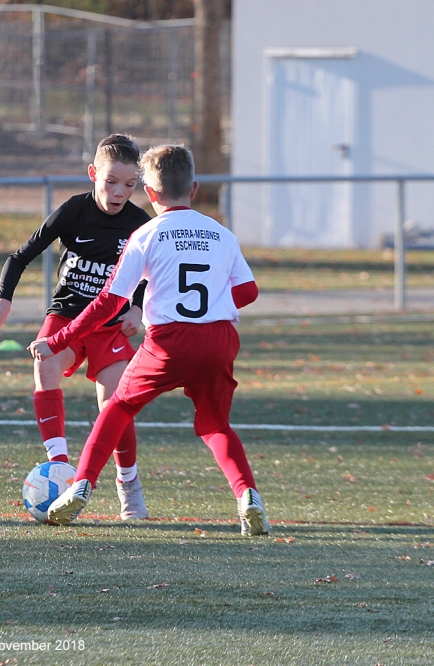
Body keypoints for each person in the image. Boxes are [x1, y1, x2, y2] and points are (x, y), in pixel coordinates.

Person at [30, 144, 269, 536]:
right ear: (194, 188)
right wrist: (214, 303)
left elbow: (109, 302)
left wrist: (60, 340)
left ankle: (82, 485)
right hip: (220, 340)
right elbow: (248, 291)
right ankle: (247, 495)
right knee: (215, 426)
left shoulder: (146, 234)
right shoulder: (222, 234)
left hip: (169, 341)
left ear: (151, 193)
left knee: (117, 408)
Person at [0, 134, 151, 520]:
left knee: (116, 403)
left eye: (129, 184)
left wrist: (137, 309)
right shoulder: (74, 211)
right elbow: (19, 257)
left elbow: (149, 273)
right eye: (111, 181)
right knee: (45, 366)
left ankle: (128, 483)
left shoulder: (140, 224)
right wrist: (3, 302)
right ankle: (59, 467)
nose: (119, 192)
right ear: (93, 174)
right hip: (67, 316)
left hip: (109, 325)